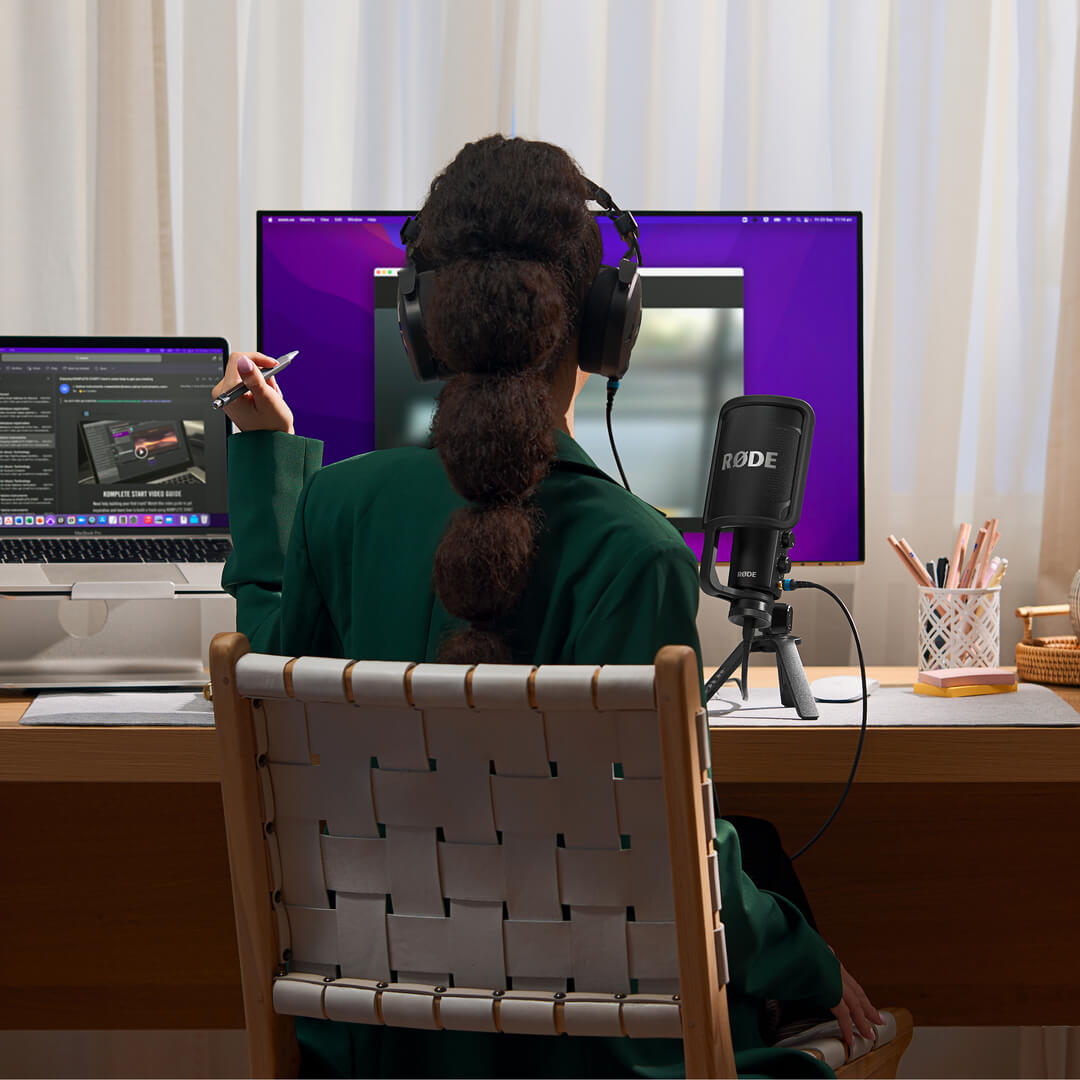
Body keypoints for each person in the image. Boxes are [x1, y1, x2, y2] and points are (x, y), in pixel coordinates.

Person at [218, 134, 881, 1079]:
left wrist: (266, 461)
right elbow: (676, 855)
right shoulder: (639, 554)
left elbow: (265, 683)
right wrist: (810, 963)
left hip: (377, 1050)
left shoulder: (335, 508)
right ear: (610, 327)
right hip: (587, 1058)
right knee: (772, 899)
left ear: (421, 325)